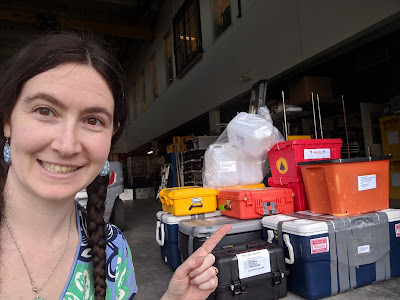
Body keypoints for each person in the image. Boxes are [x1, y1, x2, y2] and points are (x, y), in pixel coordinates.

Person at [0, 32, 231, 300]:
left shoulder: (113, 250)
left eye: (93, 120)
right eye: (44, 111)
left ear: (111, 135)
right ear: (7, 120)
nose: (66, 145)